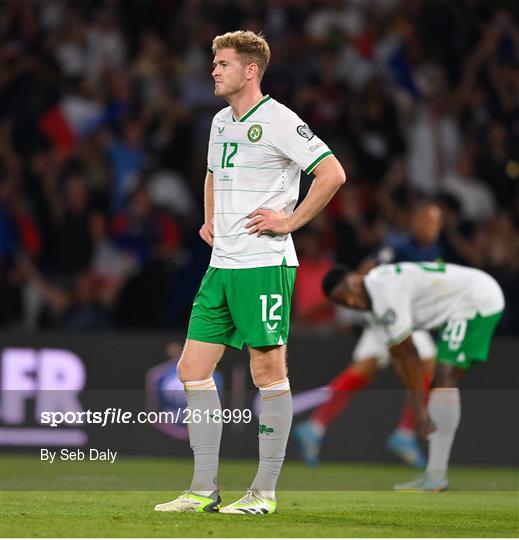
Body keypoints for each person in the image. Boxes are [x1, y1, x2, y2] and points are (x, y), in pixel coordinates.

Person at [154, 30, 345, 514]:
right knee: (191, 369)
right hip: (222, 265)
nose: (214, 71)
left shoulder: (280, 120)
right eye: (214, 63)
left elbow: (332, 174)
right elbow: (213, 171)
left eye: (222, 63)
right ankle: (203, 489)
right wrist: (209, 218)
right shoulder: (220, 121)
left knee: (267, 371)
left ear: (250, 70)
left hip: (264, 265)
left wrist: (291, 220)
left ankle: (263, 493)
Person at [321, 261, 504, 491]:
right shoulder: (373, 307)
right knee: (440, 380)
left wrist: (419, 407)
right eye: (342, 302)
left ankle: (436, 476)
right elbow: (399, 356)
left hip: (476, 298)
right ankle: (435, 475)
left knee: (444, 376)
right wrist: (417, 402)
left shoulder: (384, 291)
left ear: (358, 278)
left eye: (348, 291)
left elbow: (410, 354)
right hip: (459, 306)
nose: (350, 301)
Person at [294, 203, 443, 468]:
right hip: (390, 317)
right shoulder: (397, 249)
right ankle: (406, 432)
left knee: (362, 370)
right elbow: (363, 273)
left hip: (403, 318)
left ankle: (315, 426)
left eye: (437, 223)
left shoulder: (434, 252)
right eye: (428, 221)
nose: (433, 228)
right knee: (427, 360)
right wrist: (363, 304)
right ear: (416, 221)